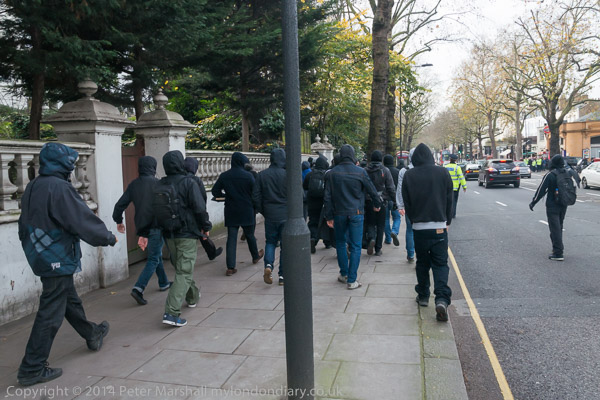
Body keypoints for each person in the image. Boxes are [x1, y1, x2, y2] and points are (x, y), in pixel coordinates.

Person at [17, 142, 117, 386]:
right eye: (69, 162)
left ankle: (91, 333)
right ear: (62, 164)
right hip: (55, 255)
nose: (72, 166)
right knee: (51, 310)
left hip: (40, 253)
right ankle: (32, 368)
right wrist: (107, 237)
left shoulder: (35, 185)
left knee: (68, 299)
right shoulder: (59, 187)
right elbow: (80, 219)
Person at [158, 151, 212, 327]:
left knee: (181, 268)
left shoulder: (160, 184)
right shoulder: (188, 182)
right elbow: (199, 208)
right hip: (187, 233)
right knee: (184, 271)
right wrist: (206, 226)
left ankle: (192, 296)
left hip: (169, 234)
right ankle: (171, 312)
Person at [402, 143, 454, 322]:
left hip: (419, 228)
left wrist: (413, 219)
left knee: (422, 263)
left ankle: (423, 295)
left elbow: (407, 202)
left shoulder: (409, 175)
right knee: (440, 264)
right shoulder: (443, 172)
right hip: (439, 226)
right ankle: (441, 299)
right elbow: (449, 199)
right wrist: (447, 221)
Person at [112, 156, 171, 306]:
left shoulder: (134, 185)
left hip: (142, 226)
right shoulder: (158, 184)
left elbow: (120, 205)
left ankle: (163, 282)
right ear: (153, 167)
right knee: (153, 258)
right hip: (156, 226)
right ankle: (138, 288)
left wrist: (118, 221)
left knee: (155, 254)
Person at [324, 144, 381, 289]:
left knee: (340, 243)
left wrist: (328, 216)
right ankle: (352, 279)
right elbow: (372, 190)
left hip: (339, 213)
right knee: (356, 246)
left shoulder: (332, 173)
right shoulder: (360, 172)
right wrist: (377, 204)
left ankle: (344, 274)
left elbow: (327, 197)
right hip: (356, 212)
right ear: (352, 155)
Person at [212, 152, 264, 276]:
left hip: (231, 210)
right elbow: (255, 192)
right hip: (246, 210)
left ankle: (230, 267)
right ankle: (255, 256)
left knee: (231, 238)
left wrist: (225, 196)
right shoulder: (248, 176)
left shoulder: (225, 176)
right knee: (250, 235)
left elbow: (215, 191)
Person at [529, 154, 574, 261]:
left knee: (554, 228)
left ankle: (558, 253)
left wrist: (533, 202)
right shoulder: (567, 172)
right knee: (559, 226)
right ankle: (557, 249)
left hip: (552, 205)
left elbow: (541, 190)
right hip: (563, 203)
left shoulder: (550, 175)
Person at [253, 148, 287, 286]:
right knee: (285, 245)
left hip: (270, 214)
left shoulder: (262, 175)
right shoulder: (287, 174)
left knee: (271, 242)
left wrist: (264, 210)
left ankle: (268, 265)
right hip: (285, 213)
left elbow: (255, 196)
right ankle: (283, 276)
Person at [183, 157, 223, 260]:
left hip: (182, 213)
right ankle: (212, 253)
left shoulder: (180, 179)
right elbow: (202, 198)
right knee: (203, 233)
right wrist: (204, 218)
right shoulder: (196, 180)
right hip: (195, 212)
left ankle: (212, 252)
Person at [364, 151, 395, 256]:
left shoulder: (365, 170)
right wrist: (395, 200)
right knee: (381, 225)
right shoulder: (385, 170)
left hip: (368, 200)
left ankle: (371, 238)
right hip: (382, 201)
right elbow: (390, 187)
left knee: (370, 223)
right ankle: (378, 249)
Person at [303, 155, 330, 253]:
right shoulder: (327, 175)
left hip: (312, 202)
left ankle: (313, 238)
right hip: (323, 203)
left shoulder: (309, 175)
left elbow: (305, 187)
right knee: (325, 222)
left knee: (313, 221)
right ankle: (327, 242)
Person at [396, 153, 415, 262]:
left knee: (410, 229)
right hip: (423, 205)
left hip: (409, 204)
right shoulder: (425, 169)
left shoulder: (404, 171)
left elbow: (400, 189)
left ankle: (411, 254)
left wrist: (400, 205)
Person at [383, 154, 401, 246]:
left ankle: (388, 239)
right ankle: (394, 231)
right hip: (395, 199)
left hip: (384, 199)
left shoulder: (383, 171)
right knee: (397, 217)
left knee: (386, 219)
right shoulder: (397, 171)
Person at [444, 154, 467, 219]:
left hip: (446, 187)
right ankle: (453, 214)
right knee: (454, 201)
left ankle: (446, 214)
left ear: (450, 159)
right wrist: (464, 186)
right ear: (455, 160)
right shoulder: (457, 168)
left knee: (447, 201)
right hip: (455, 188)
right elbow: (461, 177)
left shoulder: (445, 167)